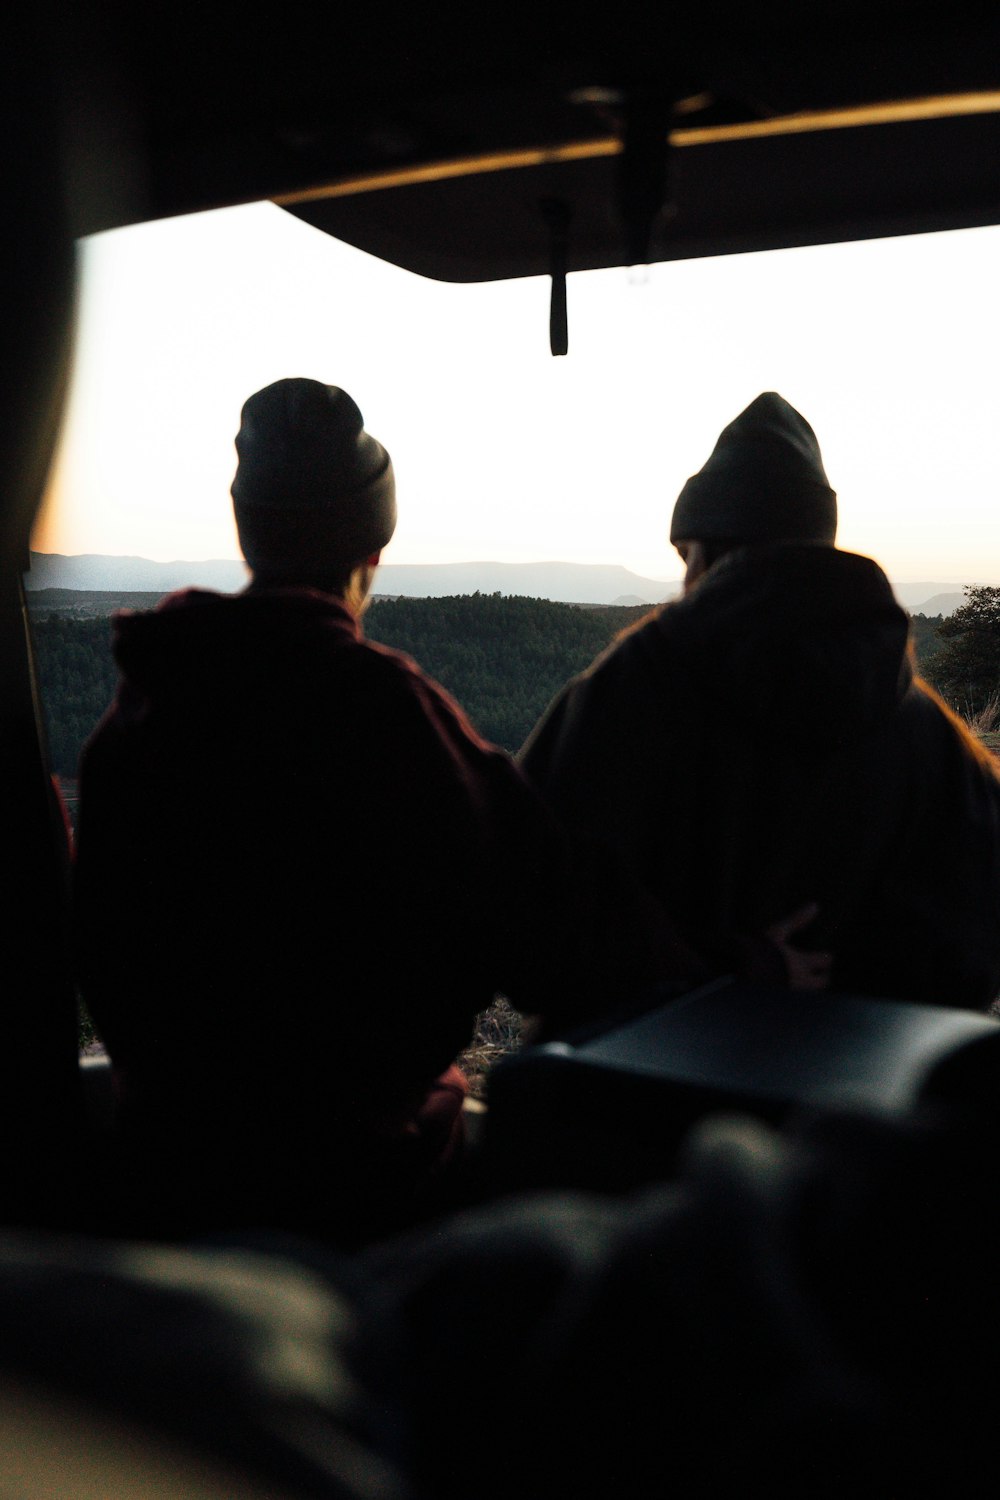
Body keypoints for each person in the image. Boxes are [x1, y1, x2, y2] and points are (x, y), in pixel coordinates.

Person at [74, 379, 821, 1244]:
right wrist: (747, 964)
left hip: (164, 1185)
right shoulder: (383, 715)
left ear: (248, 528)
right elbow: (558, 926)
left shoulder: (136, 721)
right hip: (363, 1193)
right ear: (374, 546)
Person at [520, 391, 1000, 1011]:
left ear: (702, 550)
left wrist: (719, 969)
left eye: (685, 557)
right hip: (848, 1096)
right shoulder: (924, 729)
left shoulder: (634, 683)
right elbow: (974, 951)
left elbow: (524, 911)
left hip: (632, 1090)